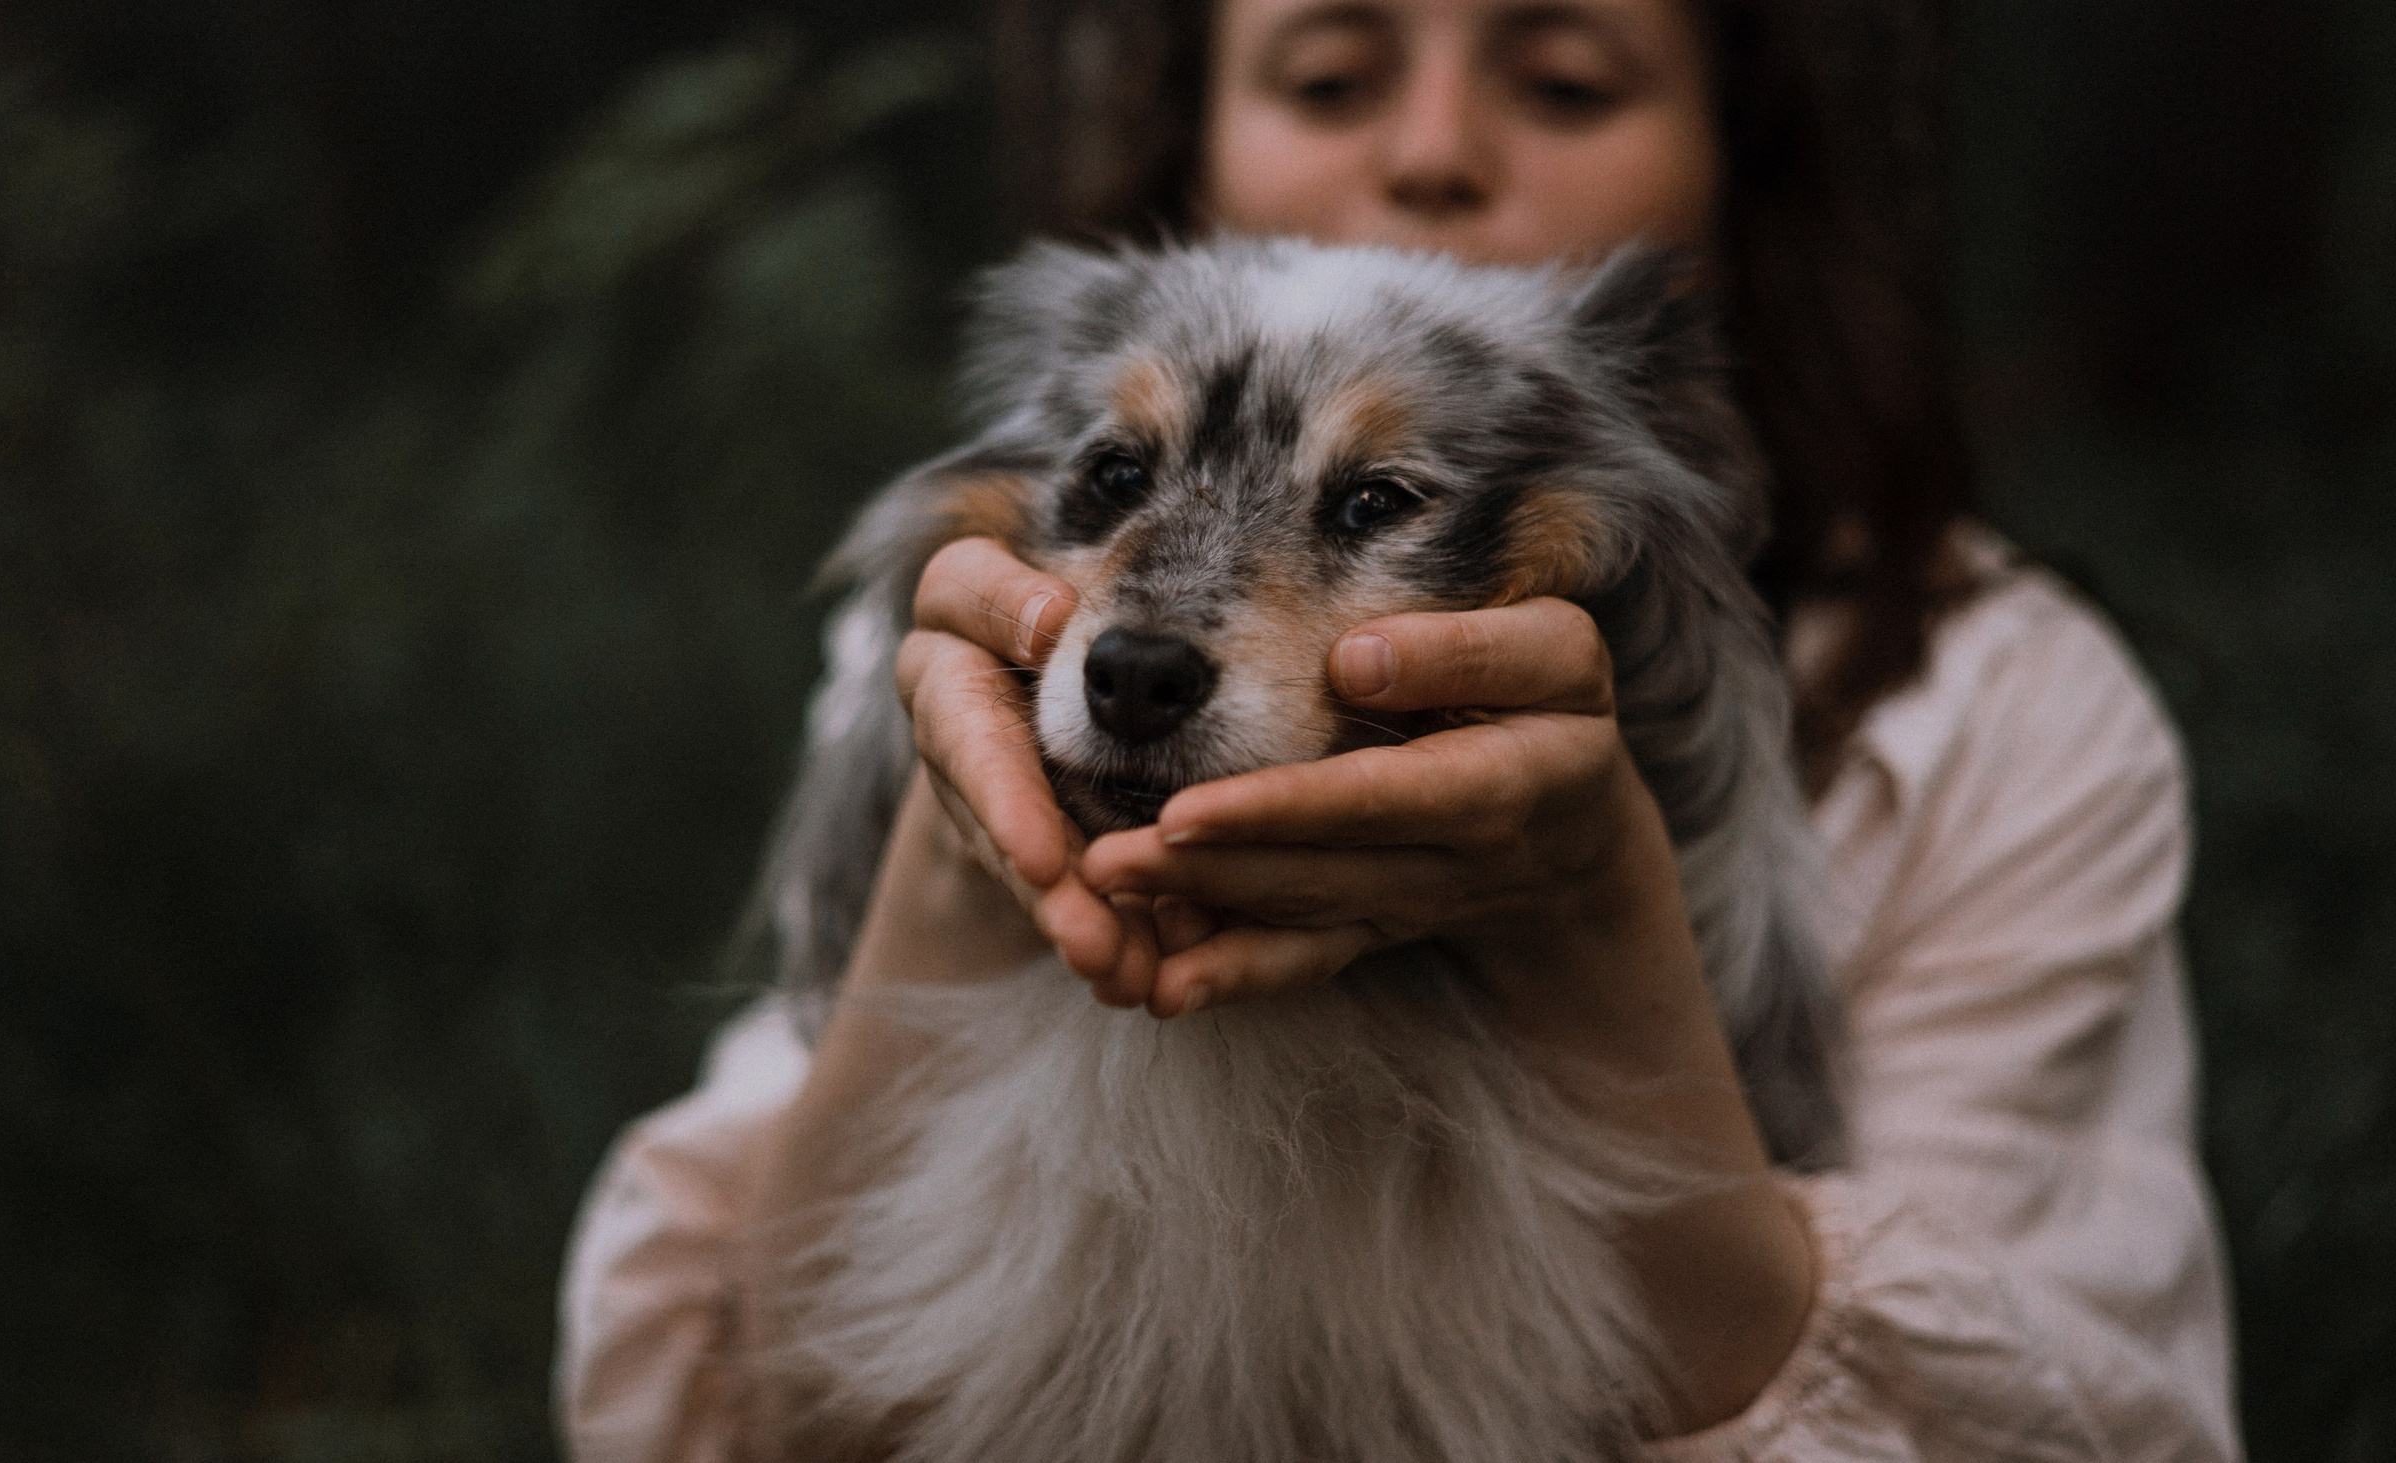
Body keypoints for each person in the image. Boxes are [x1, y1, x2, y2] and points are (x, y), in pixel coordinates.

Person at [556, 0, 2241, 1456]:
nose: (1434, 152)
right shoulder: (951, 635)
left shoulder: (2000, 716)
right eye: (1332, 76)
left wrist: (1595, 921)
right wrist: (953, 856)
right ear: (1195, 137)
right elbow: (778, 1426)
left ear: (1739, 159)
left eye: (1568, 82)